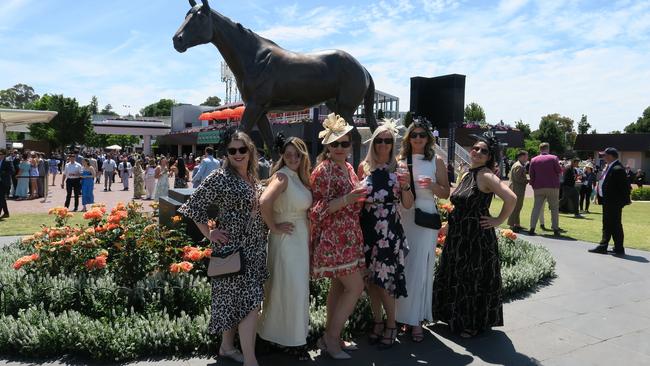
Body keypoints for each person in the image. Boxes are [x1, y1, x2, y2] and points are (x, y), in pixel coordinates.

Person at [178, 130, 267, 366]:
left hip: (255, 249)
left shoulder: (252, 177)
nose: (237, 154)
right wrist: (211, 233)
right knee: (250, 304)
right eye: (232, 150)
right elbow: (194, 206)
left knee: (235, 301)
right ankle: (250, 359)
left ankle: (227, 347)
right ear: (226, 153)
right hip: (231, 250)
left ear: (250, 151)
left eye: (242, 149)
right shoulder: (220, 177)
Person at [433, 134, 517, 338]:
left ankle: (471, 323)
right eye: (475, 149)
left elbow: (511, 197)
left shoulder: (486, 175)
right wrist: (448, 224)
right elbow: (461, 204)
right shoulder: (468, 173)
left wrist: (497, 221)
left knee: (472, 279)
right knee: (457, 276)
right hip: (459, 235)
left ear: (489, 157)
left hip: (476, 238)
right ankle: (454, 317)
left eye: (484, 151)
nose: (478, 152)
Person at [309, 114, 366, 360]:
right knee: (356, 287)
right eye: (335, 144)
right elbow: (316, 209)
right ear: (327, 147)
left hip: (350, 235)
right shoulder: (324, 170)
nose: (340, 148)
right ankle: (331, 339)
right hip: (334, 239)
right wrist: (348, 199)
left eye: (344, 143)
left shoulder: (349, 167)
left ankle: (331, 335)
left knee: (338, 287)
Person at [357, 120, 413, 349]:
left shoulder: (399, 168)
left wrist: (407, 186)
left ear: (393, 143)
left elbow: (408, 205)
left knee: (385, 282)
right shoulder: (364, 167)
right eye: (379, 140)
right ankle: (378, 322)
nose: (383, 144)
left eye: (387, 141)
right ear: (373, 143)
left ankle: (391, 325)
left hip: (389, 230)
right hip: (367, 228)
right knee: (371, 280)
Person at [257, 135, 312, 360]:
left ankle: (288, 338)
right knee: (289, 289)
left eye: (296, 154)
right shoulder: (282, 176)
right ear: (283, 156)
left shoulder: (298, 177)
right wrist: (274, 226)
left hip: (298, 239)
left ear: (303, 155)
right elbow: (264, 202)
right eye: (288, 154)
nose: (292, 158)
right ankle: (288, 340)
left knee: (292, 290)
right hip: (286, 240)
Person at [395, 120, 450, 342]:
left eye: (422, 135)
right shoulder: (400, 161)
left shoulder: (436, 161)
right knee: (405, 268)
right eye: (414, 135)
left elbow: (446, 192)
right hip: (404, 217)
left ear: (428, 138)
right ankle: (402, 317)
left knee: (420, 270)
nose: (418, 138)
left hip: (426, 219)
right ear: (408, 138)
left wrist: (432, 186)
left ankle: (416, 320)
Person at [589, 148, 631, 256]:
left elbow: (625, 188)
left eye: (605, 155)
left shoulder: (617, 168)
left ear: (611, 156)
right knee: (609, 224)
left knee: (613, 225)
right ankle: (614, 247)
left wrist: (621, 202)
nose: (603, 157)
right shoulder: (611, 167)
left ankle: (611, 247)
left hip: (613, 203)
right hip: (608, 201)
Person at [528, 142, 562, 236]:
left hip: (538, 187)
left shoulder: (534, 160)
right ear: (548, 149)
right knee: (554, 208)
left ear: (540, 149)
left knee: (536, 208)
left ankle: (532, 228)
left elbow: (531, 175)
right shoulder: (554, 158)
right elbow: (559, 171)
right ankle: (555, 229)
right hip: (552, 186)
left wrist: (533, 185)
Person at [507, 150, 529, 232]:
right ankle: (512, 225)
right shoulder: (519, 166)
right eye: (526, 156)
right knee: (516, 207)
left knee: (518, 207)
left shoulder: (518, 164)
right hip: (517, 189)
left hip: (516, 189)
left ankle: (516, 224)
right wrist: (527, 180)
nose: (527, 158)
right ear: (522, 156)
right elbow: (518, 178)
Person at [0, 149, 14, 218]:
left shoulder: (8, 161)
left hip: (5, 182)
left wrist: (3, 172)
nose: (0, 156)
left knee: (1, 198)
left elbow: (12, 171)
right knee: (2, 198)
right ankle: (6, 213)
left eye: (1, 154)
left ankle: (5, 213)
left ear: (4, 155)